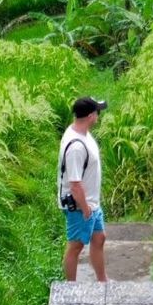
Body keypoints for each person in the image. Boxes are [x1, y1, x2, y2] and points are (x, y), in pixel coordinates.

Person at [58, 96, 108, 281]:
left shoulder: (83, 133)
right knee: (76, 246)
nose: (99, 115)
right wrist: (86, 208)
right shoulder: (76, 147)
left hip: (92, 203)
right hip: (81, 205)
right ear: (90, 116)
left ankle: (103, 281)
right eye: (97, 112)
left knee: (99, 238)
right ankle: (71, 289)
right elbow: (75, 184)